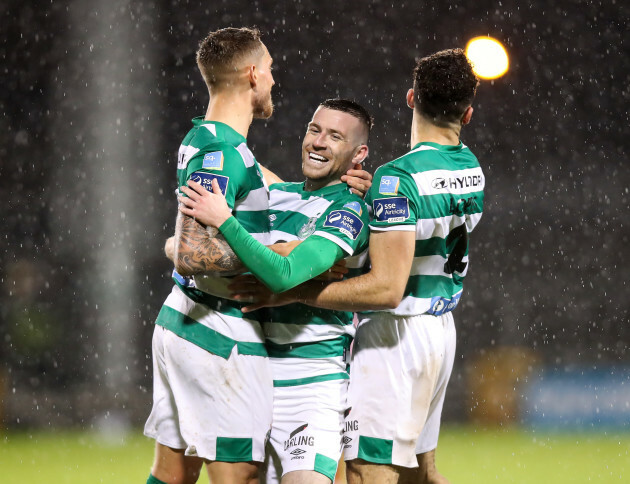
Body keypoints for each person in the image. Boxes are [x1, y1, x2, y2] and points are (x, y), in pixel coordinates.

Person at [230, 49, 483, 484]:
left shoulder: (396, 179)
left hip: (395, 336)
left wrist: (289, 290)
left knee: (368, 472)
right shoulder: (470, 168)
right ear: (468, 112)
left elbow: (386, 288)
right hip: (440, 330)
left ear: (410, 98)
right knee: (422, 473)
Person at [178, 99, 373, 484]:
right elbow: (186, 247)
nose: (318, 143)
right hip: (249, 375)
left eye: (335, 136)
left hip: (311, 384)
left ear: (359, 153)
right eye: (314, 130)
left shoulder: (349, 210)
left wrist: (226, 222)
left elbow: (284, 275)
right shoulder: (274, 195)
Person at [143, 27, 277, 484]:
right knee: (242, 475)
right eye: (271, 70)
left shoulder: (210, 139)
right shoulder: (222, 151)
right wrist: (274, 259)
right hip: (216, 330)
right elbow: (192, 254)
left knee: (174, 472)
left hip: (185, 319)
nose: (275, 81)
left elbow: (185, 245)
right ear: (253, 73)